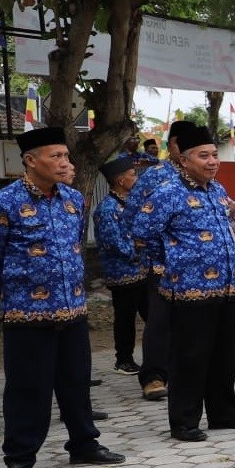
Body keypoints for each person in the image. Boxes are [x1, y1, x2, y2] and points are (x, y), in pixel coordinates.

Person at [0, 127, 126, 468]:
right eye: (56, 156)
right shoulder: (3, 203)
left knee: (76, 382)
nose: (64, 162)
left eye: (66, 156)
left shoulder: (73, 200)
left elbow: (74, 249)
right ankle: (19, 458)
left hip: (73, 309)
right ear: (30, 160)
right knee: (28, 388)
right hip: (26, 312)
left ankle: (84, 443)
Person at [131, 123, 235, 441]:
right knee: (190, 357)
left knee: (225, 354)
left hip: (227, 287)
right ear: (185, 160)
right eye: (204, 156)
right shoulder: (168, 193)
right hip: (189, 289)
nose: (212, 161)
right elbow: (141, 231)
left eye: (215, 155)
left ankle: (225, 413)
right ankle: (185, 421)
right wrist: (171, 261)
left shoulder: (216, 190)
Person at [130, 120, 193, 403]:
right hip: (163, 265)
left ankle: (187, 372)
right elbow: (133, 216)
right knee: (159, 321)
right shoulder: (155, 176)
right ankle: (153, 376)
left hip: (198, 268)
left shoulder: (204, 178)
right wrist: (153, 251)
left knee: (193, 323)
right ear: (174, 146)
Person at [93, 157, 146, 374]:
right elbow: (112, 242)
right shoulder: (107, 209)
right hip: (122, 273)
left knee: (152, 314)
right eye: (133, 175)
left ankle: (158, 356)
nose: (136, 178)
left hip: (141, 271)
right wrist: (137, 253)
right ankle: (123, 359)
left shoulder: (133, 203)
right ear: (120, 180)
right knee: (125, 317)